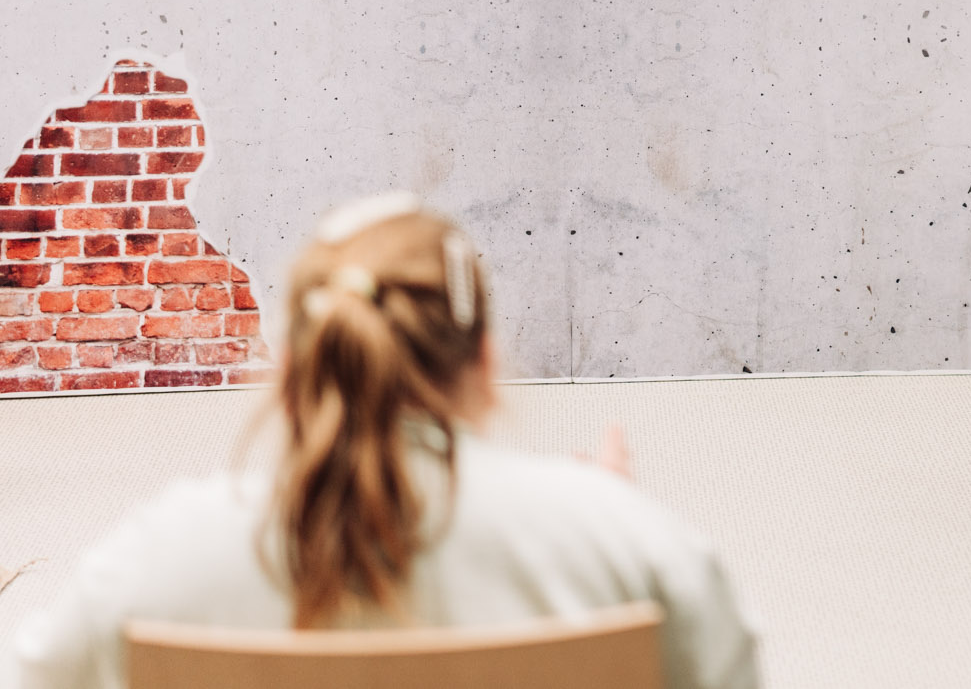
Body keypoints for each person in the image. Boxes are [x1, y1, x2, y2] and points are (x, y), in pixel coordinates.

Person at [13, 193, 759, 689]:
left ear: (293, 370)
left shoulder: (154, 563)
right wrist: (604, 526)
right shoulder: (632, 553)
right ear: (484, 363)